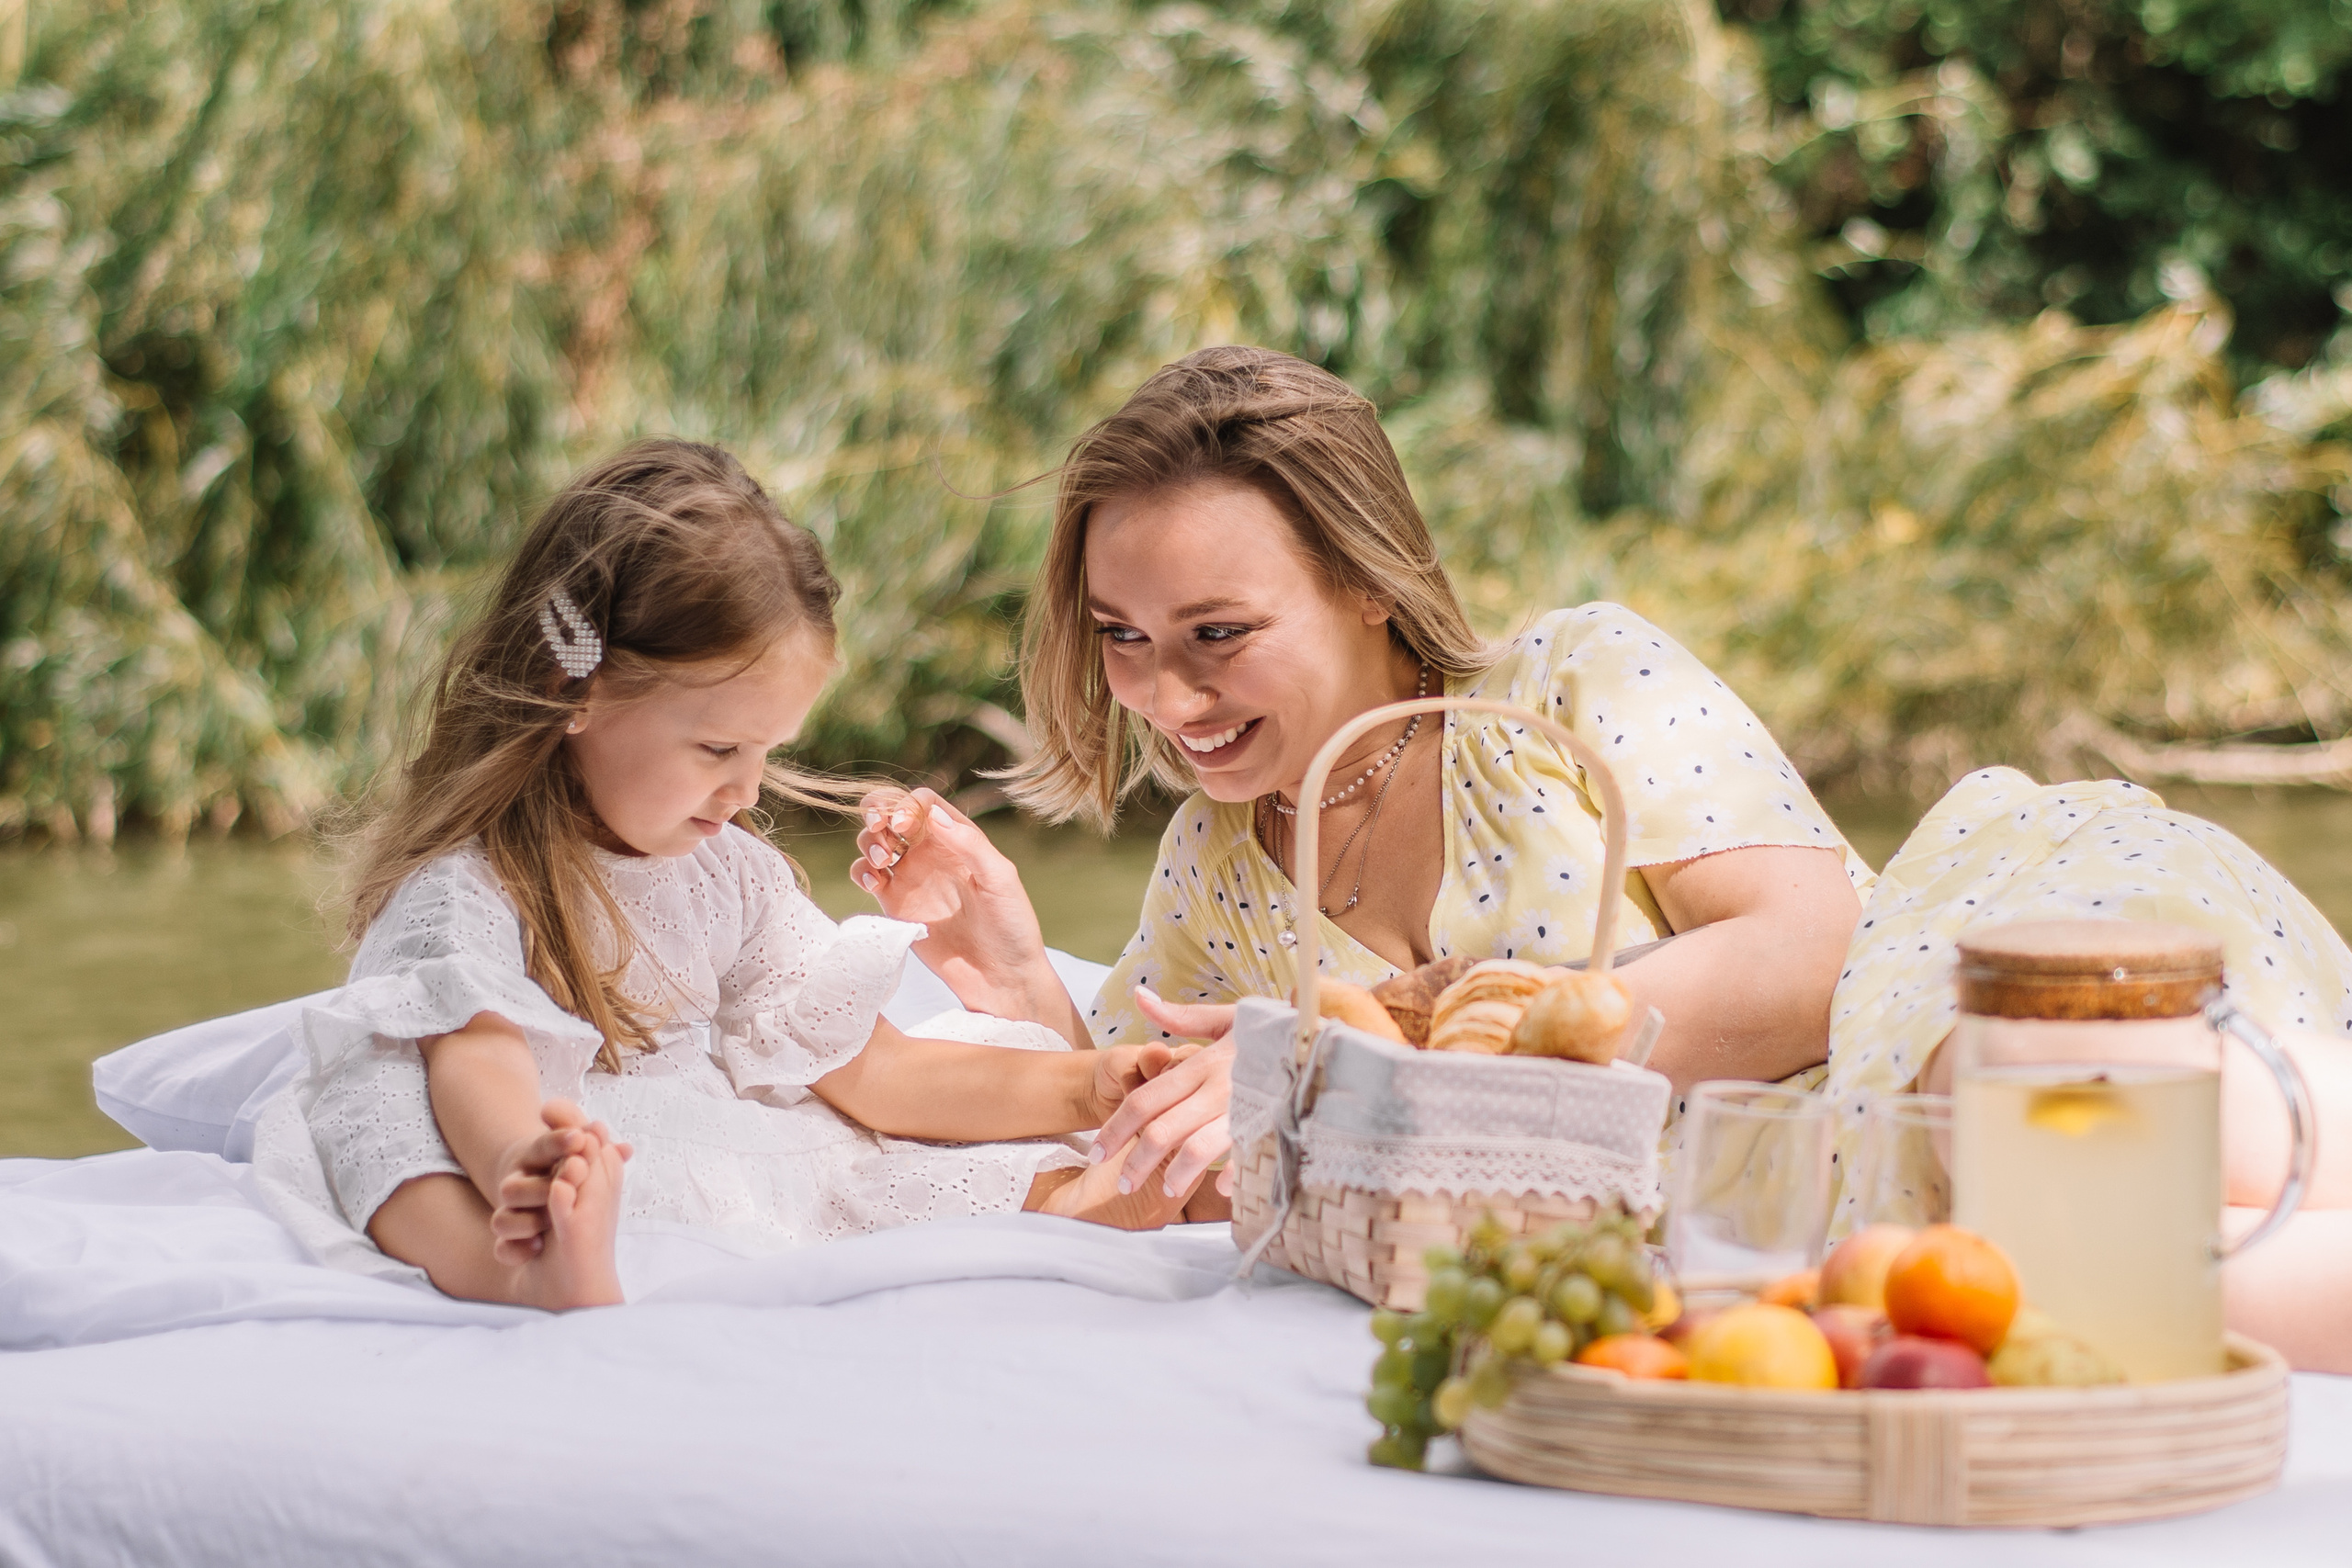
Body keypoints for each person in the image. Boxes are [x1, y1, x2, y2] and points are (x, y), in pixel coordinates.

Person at [854, 345, 2352, 1369]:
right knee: (2062, 1280)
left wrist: (1429, 1054)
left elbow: (1810, 948)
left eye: (1217, 637)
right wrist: (1010, 965)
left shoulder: (1573, 683)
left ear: (1370, 583)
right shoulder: (1212, 863)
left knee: (2037, 1116)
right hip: (1786, 1250)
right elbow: (1140, 1109)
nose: (1166, 699)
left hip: (1906, 1047)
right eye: (1122, 639)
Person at [251, 439, 1203, 1312]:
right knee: (375, 1105)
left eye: (766, 750)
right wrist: (523, 1164)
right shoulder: (473, 886)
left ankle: (1069, 1197)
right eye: (717, 748)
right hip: (527, 1145)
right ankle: (524, 1263)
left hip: (675, 1144)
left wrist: (1090, 1085)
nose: (745, 790)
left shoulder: (728, 877)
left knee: (846, 1154)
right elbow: (476, 1059)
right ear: (570, 689)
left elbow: (873, 1073)